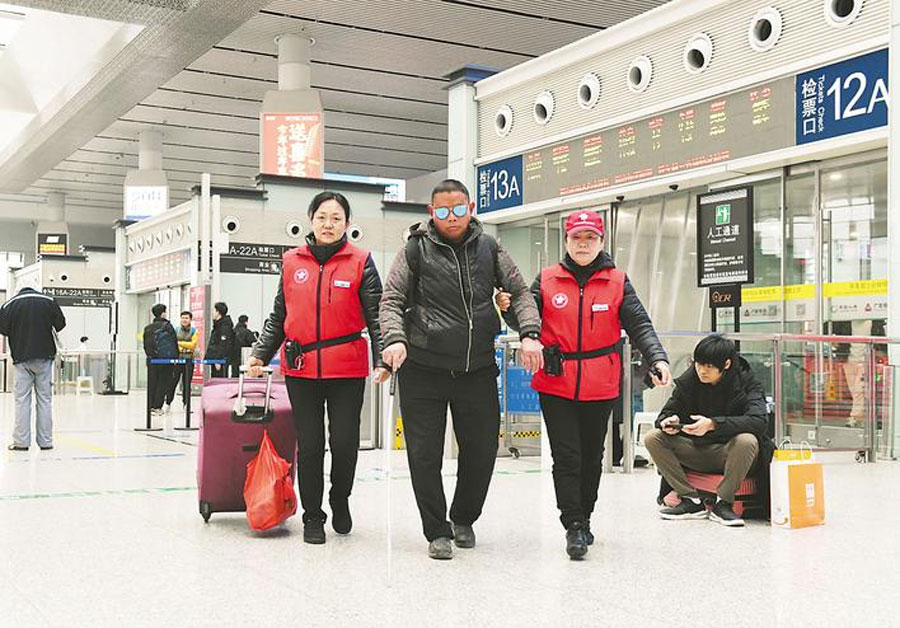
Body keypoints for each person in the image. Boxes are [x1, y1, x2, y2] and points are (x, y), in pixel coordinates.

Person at [379, 178, 542, 560]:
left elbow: (520, 292)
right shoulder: (415, 249)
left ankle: (464, 518)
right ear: (431, 212)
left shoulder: (489, 248)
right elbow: (391, 299)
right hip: (424, 369)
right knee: (424, 454)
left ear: (470, 209)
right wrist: (395, 339)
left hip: (477, 368)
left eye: (457, 210)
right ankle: (437, 530)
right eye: (442, 211)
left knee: (482, 449)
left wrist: (530, 333)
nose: (451, 218)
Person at [498, 209, 670, 560]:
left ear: (601, 241)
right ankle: (573, 524)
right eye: (577, 237)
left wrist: (658, 358)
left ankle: (586, 515)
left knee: (592, 457)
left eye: (590, 238)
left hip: (600, 382)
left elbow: (639, 324)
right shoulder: (547, 279)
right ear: (566, 241)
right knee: (566, 456)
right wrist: (507, 309)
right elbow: (526, 319)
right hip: (555, 381)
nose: (583, 244)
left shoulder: (617, 281)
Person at [249, 191, 388, 545]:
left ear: (348, 223)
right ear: (311, 220)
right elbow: (279, 315)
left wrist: (383, 358)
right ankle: (313, 515)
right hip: (301, 369)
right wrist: (260, 354)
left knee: (344, 442)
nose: (328, 224)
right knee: (310, 445)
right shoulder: (291, 261)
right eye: (322, 217)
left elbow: (376, 317)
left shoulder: (361, 261)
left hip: (347, 369)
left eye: (336, 218)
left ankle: (340, 498)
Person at [644, 334, 774, 527]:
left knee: (747, 440)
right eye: (698, 364)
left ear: (726, 364)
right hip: (697, 448)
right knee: (653, 438)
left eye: (709, 367)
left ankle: (724, 503)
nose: (702, 371)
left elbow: (759, 422)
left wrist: (713, 424)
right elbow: (667, 412)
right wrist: (669, 421)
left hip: (733, 454)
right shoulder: (690, 380)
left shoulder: (747, 382)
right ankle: (690, 499)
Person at [0, 285, 66, 451]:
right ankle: (46, 442)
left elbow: (3, 329)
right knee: (45, 400)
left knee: (22, 400)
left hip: (21, 358)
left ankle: (21, 443)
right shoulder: (49, 301)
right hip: (45, 357)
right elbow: (61, 324)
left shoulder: (10, 304)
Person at [142, 304, 178, 416]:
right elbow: (174, 343)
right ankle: (158, 406)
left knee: (152, 382)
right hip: (165, 360)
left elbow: (145, 345)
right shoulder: (167, 326)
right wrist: (175, 358)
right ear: (163, 313)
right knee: (163, 382)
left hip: (152, 360)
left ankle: (150, 406)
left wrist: (149, 357)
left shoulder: (148, 328)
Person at [169, 311, 198, 408]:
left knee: (187, 383)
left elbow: (193, 345)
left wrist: (179, 343)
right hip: (177, 360)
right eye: (182, 318)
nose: (184, 320)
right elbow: (172, 343)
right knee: (173, 382)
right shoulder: (176, 330)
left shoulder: (194, 331)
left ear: (190, 319)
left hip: (189, 360)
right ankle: (168, 402)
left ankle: (186, 404)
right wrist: (185, 346)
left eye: (186, 318)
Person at [206, 302, 235, 378]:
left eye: (214, 310)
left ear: (218, 312)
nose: (212, 313)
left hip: (220, 360)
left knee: (219, 379)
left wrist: (218, 359)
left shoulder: (224, 326)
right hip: (216, 359)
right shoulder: (218, 325)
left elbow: (223, 344)